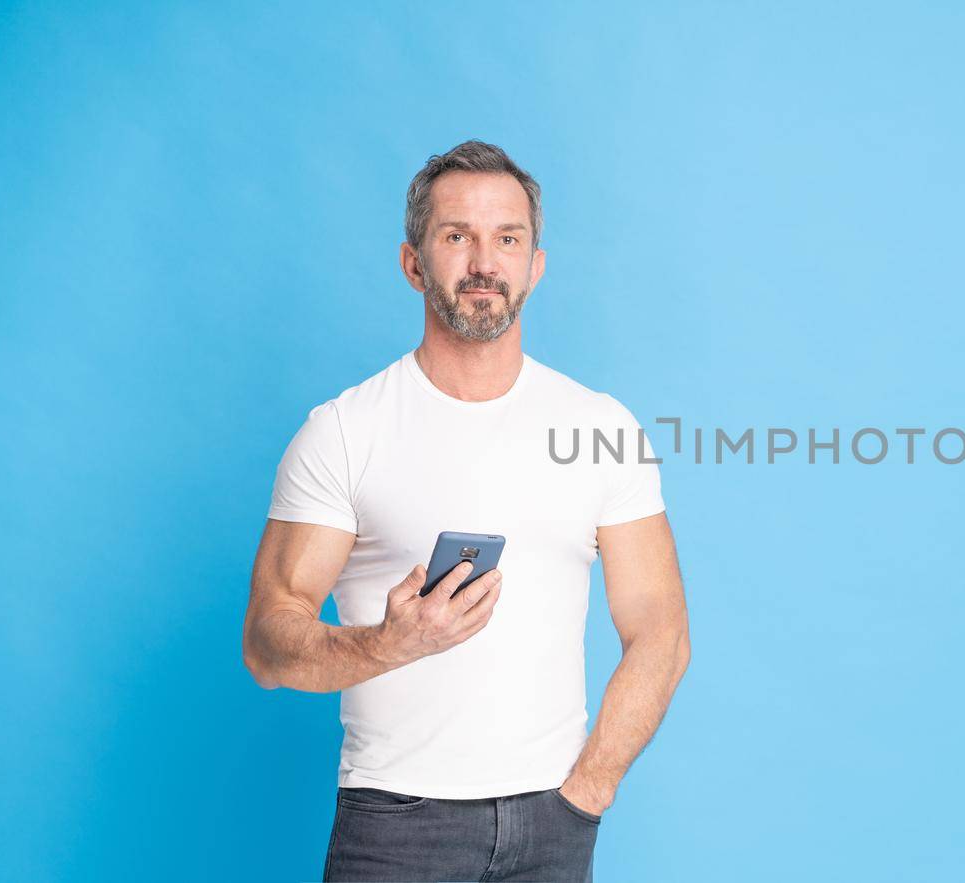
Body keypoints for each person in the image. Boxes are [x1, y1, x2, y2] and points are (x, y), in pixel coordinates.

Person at [241, 140, 691, 882]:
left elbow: (661, 632)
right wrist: (388, 642)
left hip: (554, 821)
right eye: (457, 236)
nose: (485, 260)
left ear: (535, 264)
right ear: (414, 263)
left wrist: (588, 789)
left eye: (507, 238)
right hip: (393, 824)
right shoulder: (345, 431)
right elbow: (266, 641)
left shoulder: (601, 428)